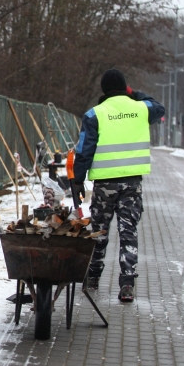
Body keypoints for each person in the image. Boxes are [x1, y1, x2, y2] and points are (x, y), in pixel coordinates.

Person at [73, 69, 165, 302]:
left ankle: (93, 278)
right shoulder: (141, 108)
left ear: (103, 90)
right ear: (126, 88)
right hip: (132, 185)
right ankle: (127, 285)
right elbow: (158, 107)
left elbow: (84, 150)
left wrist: (77, 180)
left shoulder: (95, 114)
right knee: (128, 232)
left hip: (105, 186)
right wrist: (134, 94)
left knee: (99, 232)